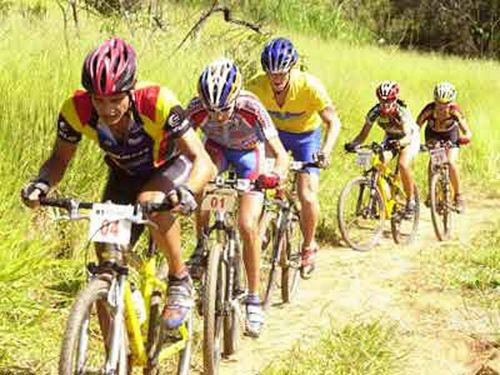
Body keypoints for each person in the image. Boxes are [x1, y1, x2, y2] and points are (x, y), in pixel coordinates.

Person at [20, 37, 216, 329]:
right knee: (105, 259)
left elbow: (203, 160)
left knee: (149, 201)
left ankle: (179, 279)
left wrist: (187, 192)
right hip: (123, 176)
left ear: (131, 88)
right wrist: (41, 184)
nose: (107, 109)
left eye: (116, 99)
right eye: (99, 100)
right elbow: (59, 160)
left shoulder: (157, 101)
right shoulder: (77, 110)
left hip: (171, 167)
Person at [186, 58, 289, 337]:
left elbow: (279, 153)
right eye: (212, 111)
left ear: (235, 98)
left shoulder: (251, 106)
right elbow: (178, 145)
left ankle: (253, 299)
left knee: (246, 225)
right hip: (216, 150)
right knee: (200, 184)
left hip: (249, 156)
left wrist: (276, 176)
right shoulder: (195, 108)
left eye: (224, 109)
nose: (218, 116)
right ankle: (201, 246)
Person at [247, 37, 341, 273]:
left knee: (307, 194)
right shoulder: (255, 86)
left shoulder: (309, 86)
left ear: (291, 69)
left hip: (306, 137)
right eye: (271, 73)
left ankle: (309, 246)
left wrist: (325, 152)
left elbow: (333, 122)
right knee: (259, 183)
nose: (276, 79)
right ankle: (264, 227)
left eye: (281, 73)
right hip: (274, 136)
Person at [345, 81, 420, 216]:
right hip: (391, 137)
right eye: (382, 101)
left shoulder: (401, 111)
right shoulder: (375, 112)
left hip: (409, 137)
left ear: (395, 99)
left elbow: (408, 135)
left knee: (403, 164)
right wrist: (352, 145)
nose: (385, 105)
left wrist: (401, 143)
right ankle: (380, 198)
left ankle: (411, 201)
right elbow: (363, 135)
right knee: (378, 164)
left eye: (389, 101)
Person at [416, 81, 472, 212]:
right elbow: (416, 127)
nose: (441, 107)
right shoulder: (428, 109)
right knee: (433, 163)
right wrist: (414, 141)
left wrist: (466, 137)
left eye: (445, 104)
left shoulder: (455, 111)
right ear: (434, 101)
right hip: (432, 134)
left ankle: (458, 196)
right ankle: (432, 194)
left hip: (450, 135)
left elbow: (467, 131)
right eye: (438, 103)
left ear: (451, 103)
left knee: (451, 162)